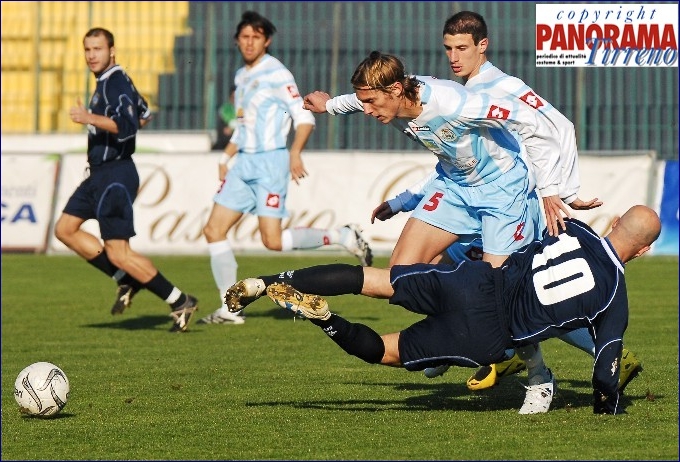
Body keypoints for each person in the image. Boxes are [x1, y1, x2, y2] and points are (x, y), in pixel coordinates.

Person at [367, 11, 644, 392]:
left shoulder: (500, 87)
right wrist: (404, 200)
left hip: (512, 204)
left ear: (483, 46)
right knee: (438, 272)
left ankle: (580, 359)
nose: (453, 56)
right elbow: (454, 164)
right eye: (448, 48)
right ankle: (468, 344)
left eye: (462, 48)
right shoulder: (455, 92)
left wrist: (561, 189)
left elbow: (559, 126)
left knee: (513, 295)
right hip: (475, 205)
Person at [303, 50, 569, 411]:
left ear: (396, 89)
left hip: (502, 193)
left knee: (495, 295)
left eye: (371, 101)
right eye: (363, 101)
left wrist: (550, 189)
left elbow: (534, 123)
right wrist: (329, 105)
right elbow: (356, 98)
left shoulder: (454, 102)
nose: (366, 109)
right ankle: (450, 332)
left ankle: (539, 377)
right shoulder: (391, 98)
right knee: (401, 277)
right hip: (455, 190)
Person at [226, 205, 661, 415]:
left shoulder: (578, 229)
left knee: (372, 280)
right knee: (385, 351)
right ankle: (327, 321)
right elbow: (605, 375)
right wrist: (608, 407)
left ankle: (269, 282)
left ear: (615, 220)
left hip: (473, 283)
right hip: (487, 335)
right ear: (642, 251)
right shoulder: (613, 298)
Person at [198, 11, 373, 326]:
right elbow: (243, 125)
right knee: (213, 230)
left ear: (266, 41)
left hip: (270, 162)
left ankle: (341, 236)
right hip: (243, 162)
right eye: (245, 37)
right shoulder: (241, 75)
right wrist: (225, 157)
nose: (249, 43)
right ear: (237, 40)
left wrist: (295, 153)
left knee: (272, 242)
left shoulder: (277, 73)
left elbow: (304, 117)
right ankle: (229, 309)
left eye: (256, 37)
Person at [55, 27, 198, 333]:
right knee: (65, 229)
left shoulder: (114, 82)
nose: (92, 55)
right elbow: (144, 113)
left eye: (98, 49)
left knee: (119, 252)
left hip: (116, 175)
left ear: (112, 51)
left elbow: (129, 126)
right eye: (87, 49)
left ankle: (179, 299)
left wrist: (89, 118)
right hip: (99, 174)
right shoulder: (110, 81)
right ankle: (125, 279)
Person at [211, 86, 237, 151]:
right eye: (233, 98)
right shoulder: (225, 109)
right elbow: (223, 129)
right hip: (227, 140)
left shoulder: (246, 110)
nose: (235, 100)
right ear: (230, 98)